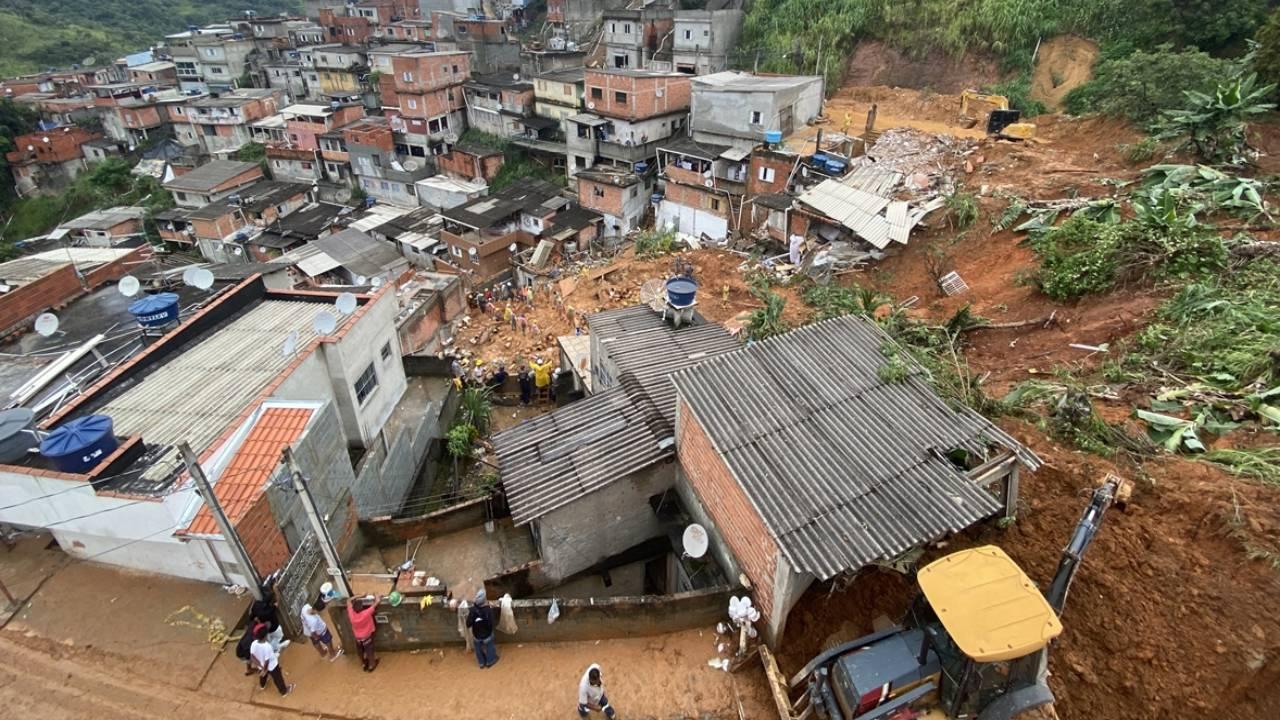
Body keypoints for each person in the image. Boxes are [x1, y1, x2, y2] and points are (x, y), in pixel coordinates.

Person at [250, 623, 295, 696]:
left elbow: (252, 657)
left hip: (261, 665)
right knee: (278, 678)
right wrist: (265, 669)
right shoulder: (267, 647)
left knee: (263, 675)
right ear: (265, 635)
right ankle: (284, 691)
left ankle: (262, 685)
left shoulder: (254, 644)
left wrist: (261, 667)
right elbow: (267, 661)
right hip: (272, 666)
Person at [300, 598, 343, 662]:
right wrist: (317, 637)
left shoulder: (305, 607)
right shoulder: (313, 621)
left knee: (315, 642)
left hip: (307, 631)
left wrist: (315, 638)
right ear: (317, 610)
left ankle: (322, 653)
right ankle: (332, 655)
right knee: (328, 640)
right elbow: (313, 632)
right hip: (321, 631)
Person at [347, 594, 382, 672]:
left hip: (358, 638)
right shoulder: (366, 613)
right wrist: (376, 596)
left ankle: (363, 663)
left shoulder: (351, 615)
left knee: (360, 651)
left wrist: (358, 596)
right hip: (367, 637)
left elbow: (348, 600)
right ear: (361, 608)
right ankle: (371, 665)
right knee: (369, 651)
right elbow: (377, 602)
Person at [465, 589, 498, 669]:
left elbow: (468, 624)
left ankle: (481, 663)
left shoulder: (472, 610)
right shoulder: (488, 610)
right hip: (487, 634)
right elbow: (491, 623)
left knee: (478, 649)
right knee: (490, 646)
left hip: (477, 635)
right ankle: (490, 661)